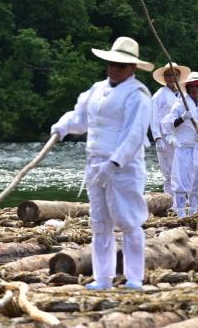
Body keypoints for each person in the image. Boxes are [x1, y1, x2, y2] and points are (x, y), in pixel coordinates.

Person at [50, 36, 153, 290]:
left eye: (120, 65)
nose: (114, 69)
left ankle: (134, 278)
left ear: (133, 68)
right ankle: (103, 278)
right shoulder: (96, 90)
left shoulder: (138, 95)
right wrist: (62, 127)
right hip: (95, 164)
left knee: (129, 221)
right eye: (111, 64)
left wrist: (114, 163)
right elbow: (81, 119)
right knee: (100, 223)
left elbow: (135, 134)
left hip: (124, 167)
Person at [162, 72, 198, 218]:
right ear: (187, 88)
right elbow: (169, 124)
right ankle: (181, 212)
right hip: (185, 148)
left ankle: (193, 210)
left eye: (197, 86)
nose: (194, 89)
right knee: (181, 180)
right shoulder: (180, 104)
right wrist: (182, 118)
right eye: (192, 86)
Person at [150, 62, 191, 210]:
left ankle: (183, 199)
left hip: (181, 136)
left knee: (183, 168)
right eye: (168, 74)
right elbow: (153, 117)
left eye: (175, 74)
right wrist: (157, 138)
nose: (172, 77)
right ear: (164, 77)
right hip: (165, 137)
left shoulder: (184, 95)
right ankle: (170, 202)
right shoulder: (159, 95)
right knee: (168, 171)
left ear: (179, 76)